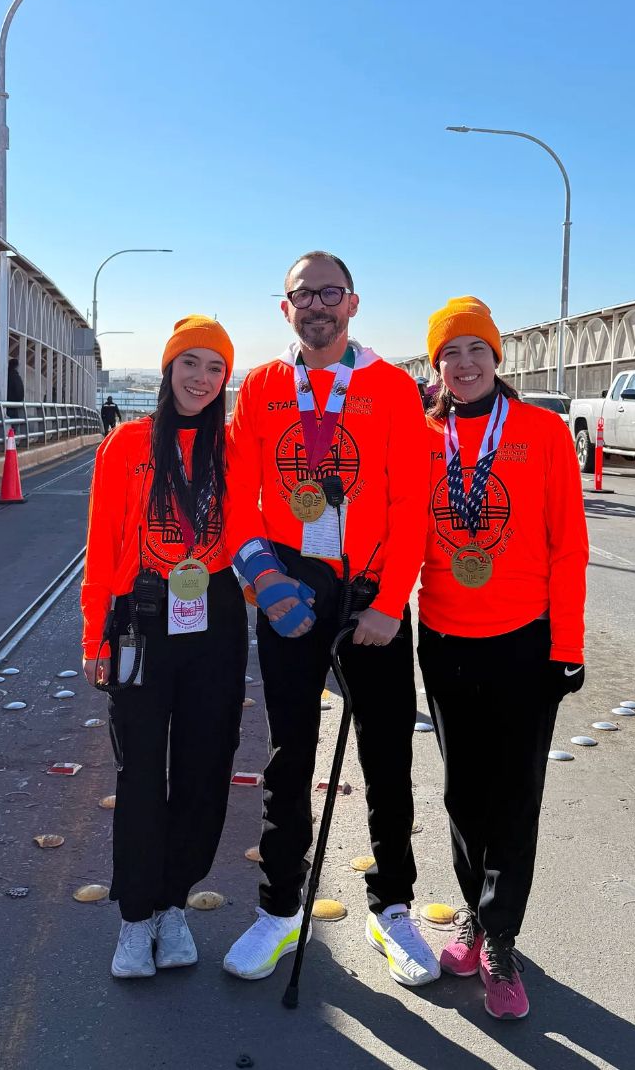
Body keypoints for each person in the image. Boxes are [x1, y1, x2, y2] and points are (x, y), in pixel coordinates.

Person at [223, 251, 438, 987]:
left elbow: (413, 503)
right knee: (289, 753)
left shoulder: (391, 388)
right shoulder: (261, 386)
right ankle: (280, 910)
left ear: (352, 303)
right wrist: (265, 582)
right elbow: (237, 499)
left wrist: (387, 603)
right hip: (293, 584)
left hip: (370, 588)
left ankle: (393, 906)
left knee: (388, 758)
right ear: (286, 310)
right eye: (302, 294)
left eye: (330, 292)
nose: (316, 304)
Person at [417, 297, 588, 1021]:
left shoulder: (543, 433)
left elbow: (567, 544)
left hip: (524, 640)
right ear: (437, 366)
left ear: (498, 357)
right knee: (463, 793)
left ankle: (502, 936)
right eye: (449, 352)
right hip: (445, 637)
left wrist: (567, 646)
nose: (463, 363)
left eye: (475, 349)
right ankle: (474, 913)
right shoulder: (420, 434)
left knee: (515, 797)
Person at [81, 316, 247, 979]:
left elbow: (259, 524)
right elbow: (101, 541)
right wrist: (95, 631)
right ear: (168, 368)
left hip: (216, 612)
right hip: (141, 616)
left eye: (215, 368)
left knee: (207, 765)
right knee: (141, 770)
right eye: (190, 363)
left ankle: (174, 904)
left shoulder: (234, 449)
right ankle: (134, 916)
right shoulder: (125, 445)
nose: (201, 378)